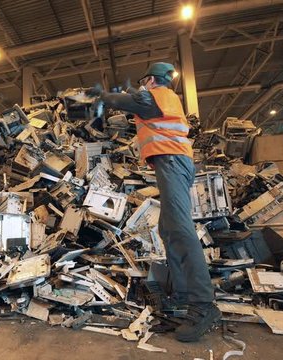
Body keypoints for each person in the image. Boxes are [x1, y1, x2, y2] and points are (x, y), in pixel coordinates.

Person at [87, 62, 220, 342]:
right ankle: (182, 298)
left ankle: (203, 305)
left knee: (181, 230)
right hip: (173, 162)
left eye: (144, 81)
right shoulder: (161, 100)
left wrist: (97, 95)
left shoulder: (153, 96)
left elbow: (120, 100)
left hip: (171, 162)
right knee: (169, 230)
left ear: (150, 79)